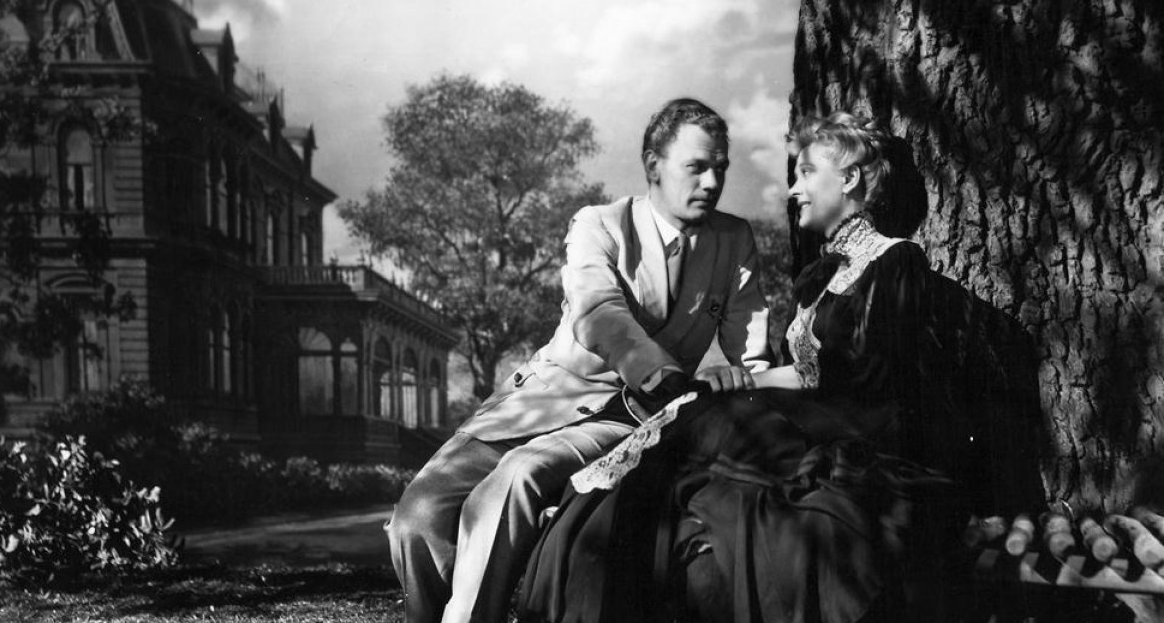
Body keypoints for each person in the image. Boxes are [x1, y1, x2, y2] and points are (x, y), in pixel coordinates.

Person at [518, 112, 968, 623]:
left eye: (806, 172)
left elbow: (872, 383)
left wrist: (740, 395)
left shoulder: (895, 260)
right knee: (695, 411)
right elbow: (803, 372)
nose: (793, 189)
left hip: (851, 427)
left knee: (710, 425)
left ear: (849, 179)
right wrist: (729, 382)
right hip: (810, 413)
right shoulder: (821, 277)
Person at [386, 98, 773, 623]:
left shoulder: (733, 239)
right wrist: (666, 376)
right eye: (697, 167)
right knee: (416, 517)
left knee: (516, 480)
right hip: (542, 398)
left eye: (720, 169)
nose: (712, 182)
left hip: (627, 414)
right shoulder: (600, 224)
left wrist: (735, 381)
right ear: (653, 165)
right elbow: (600, 313)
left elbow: (751, 354)